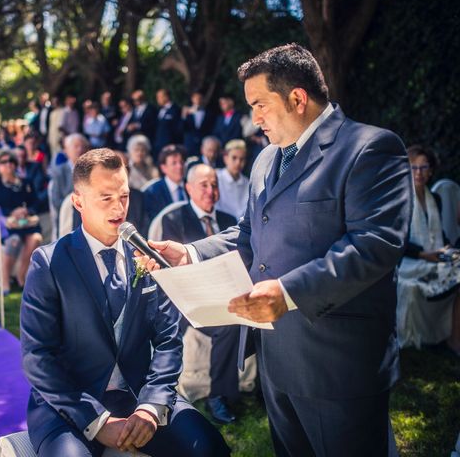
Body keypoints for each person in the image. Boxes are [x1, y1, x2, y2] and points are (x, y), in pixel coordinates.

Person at [141, 43, 412, 457]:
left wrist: (286, 294)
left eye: (260, 105)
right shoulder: (266, 159)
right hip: (276, 361)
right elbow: (250, 232)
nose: (254, 119)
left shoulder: (370, 149)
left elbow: (373, 246)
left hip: (338, 363)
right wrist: (191, 253)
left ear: (297, 98)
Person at [20, 148, 230, 457]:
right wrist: (98, 422)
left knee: (209, 448)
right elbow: (37, 357)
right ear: (78, 201)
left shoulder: (145, 256)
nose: (119, 208)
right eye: (106, 198)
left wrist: (151, 406)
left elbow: (168, 341)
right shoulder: (49, 263)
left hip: (140, 395)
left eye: (124, 196)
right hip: (70, 405)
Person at [157, 164, 240, 424]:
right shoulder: (174, 220)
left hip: (229, 292)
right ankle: (218, 395)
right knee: (229, 326)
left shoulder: (228, 220)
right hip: (189, 298)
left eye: (214, 184)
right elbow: (172, 270)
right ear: (188, 188)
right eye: (203, 185)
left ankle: (261, 385)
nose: (210, 190)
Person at [396, 145, 460, 354]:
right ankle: (453, 341)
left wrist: (447, 248)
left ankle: (451, 336)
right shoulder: (400, 199)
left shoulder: (436, 199)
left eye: (424, 168)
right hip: (409, 264)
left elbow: (438, 232)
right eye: (413, 167)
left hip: (432, 258)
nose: (419, 173)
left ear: (431, 171)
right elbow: (396, 239)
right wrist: (423, 255)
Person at [0, 149, 43, 291]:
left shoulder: (25, 182)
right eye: (4, 162)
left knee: (36, 238)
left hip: (25, 223)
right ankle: (5, 280)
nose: (8, 164)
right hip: (5, 224)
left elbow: (36, 202)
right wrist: (11, 212)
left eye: (11, 161)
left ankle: (21, 276)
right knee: (14, 240)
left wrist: (27, 211)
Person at [49, 134, 89, 238]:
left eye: (83, 146)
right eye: (76, 146)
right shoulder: (59, 171)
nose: (80, 149)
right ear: (66, 150)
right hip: (68, 218)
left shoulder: (91, 171)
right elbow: (56, 201)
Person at [143, 144, 187, 223]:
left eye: (181, 162)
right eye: (174, 163)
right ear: (163, 168)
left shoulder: (192, 185)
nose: (179, 166)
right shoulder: (153, 192)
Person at [215, 139, 250, 220]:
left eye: (242, 159)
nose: (238, 163)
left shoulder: (247, 182)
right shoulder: (216, 177)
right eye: (234, 158)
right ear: (225, 158)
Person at [182, 91, 215, 158]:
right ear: (192, 99)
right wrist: (184, 116)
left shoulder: (209, 113)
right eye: (196, 98)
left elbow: (211, 130)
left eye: (200, 98)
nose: (198, 100)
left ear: (203, 99)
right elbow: (181, 128)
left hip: (203, 146)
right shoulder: (186, 112)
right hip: (189, 145)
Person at [153, 89, 182, 160]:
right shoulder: (159, 110)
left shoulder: (176, 109)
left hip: (169, 146)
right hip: (158, 146)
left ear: (166, 97)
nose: (157, 99)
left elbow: (178, 129)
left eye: (159, 97)